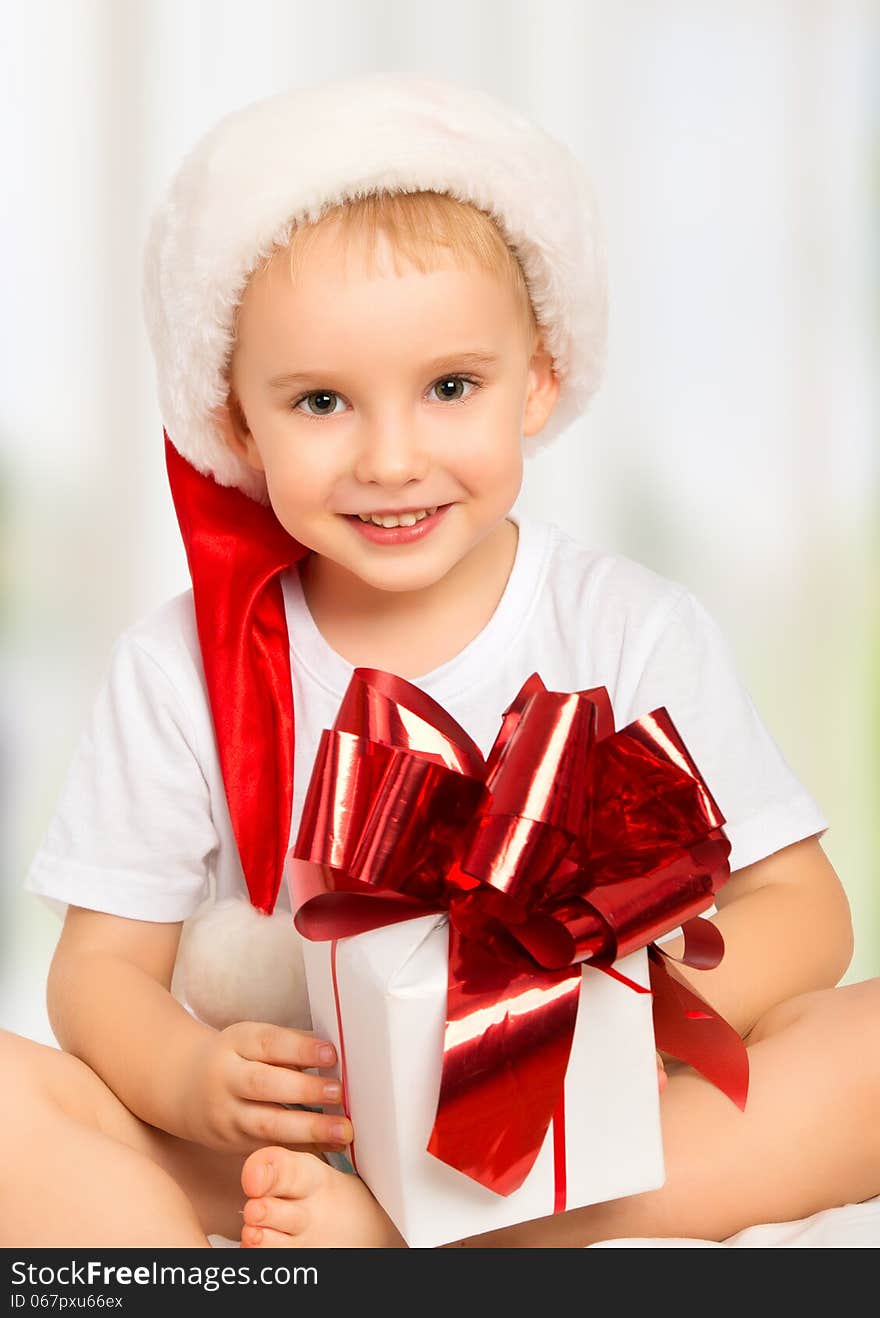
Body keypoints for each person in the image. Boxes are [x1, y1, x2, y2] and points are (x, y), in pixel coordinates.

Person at [2, 71, 876, 1250]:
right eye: (321, 401)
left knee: (859, 1049)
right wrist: (196, 1073)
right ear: (235, 423)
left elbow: (806, 913)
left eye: (450, 386)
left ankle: (476, 1236)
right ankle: (218, 1241)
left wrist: (595, 1014)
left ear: (541, 377)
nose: (393, 457)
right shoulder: (181, 666)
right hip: (298, 1139)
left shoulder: (626, 626)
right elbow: (97, 974)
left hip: (575, 1124)